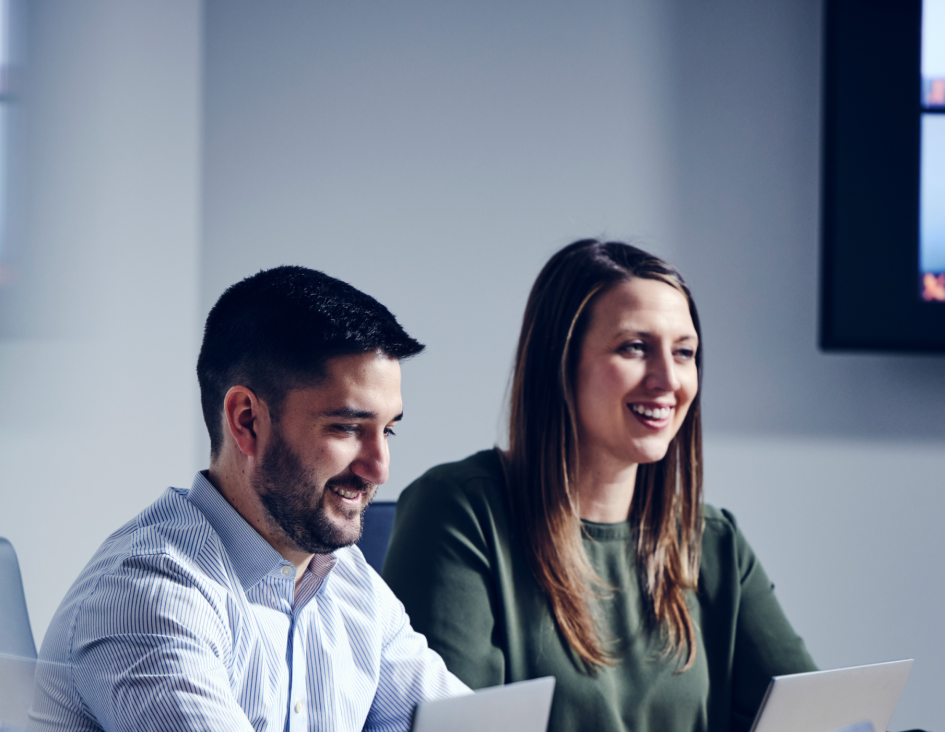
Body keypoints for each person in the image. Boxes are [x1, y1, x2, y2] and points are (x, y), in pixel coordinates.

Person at [382, 239, 817, 732]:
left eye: (684, 352)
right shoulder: (460, 511)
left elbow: (820, 719)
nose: (667, 379)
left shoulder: (713, 539)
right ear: (560, 362)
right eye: (635, 347)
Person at [30, 266, 469, 732]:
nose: (379, 468)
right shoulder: (147, 596)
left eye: (388, 430)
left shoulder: (349, 582)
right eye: (346, 427)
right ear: (247, 421)